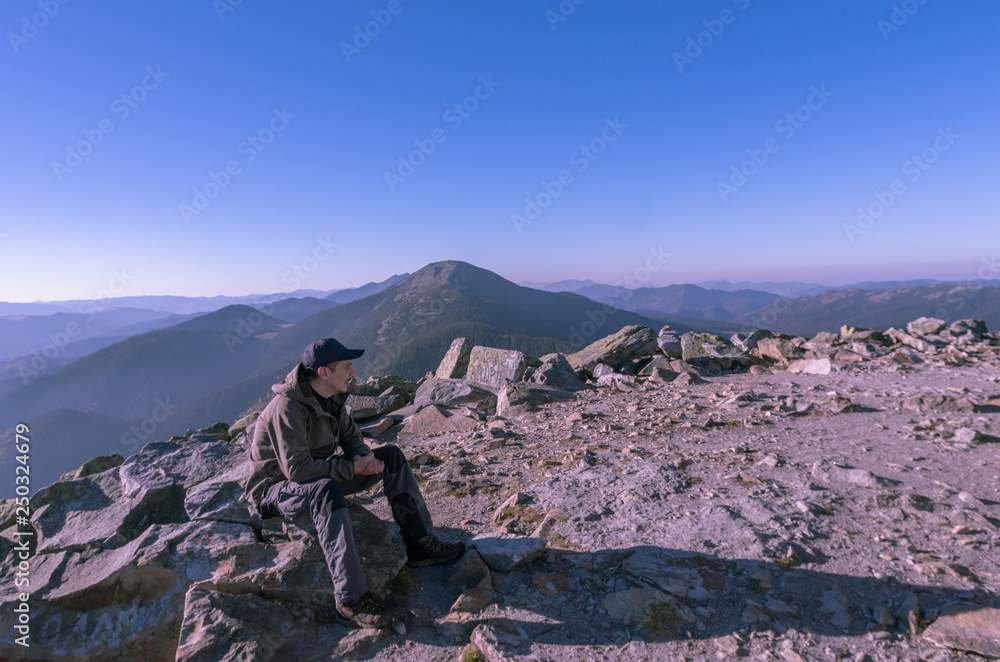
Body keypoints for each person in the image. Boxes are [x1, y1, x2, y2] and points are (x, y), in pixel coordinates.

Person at [243, 337, 465, 628]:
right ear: (323, 372)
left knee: (391, 457)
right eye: (347, 367)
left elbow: (350, 438)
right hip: (274, 490)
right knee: (326, 489)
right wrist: (351, 468)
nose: (353, 373)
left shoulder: (332, 398)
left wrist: (365, 459)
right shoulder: (287, 407)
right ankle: (350, 599)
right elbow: (297, 470)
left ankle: (420, 543)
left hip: (312, 477)